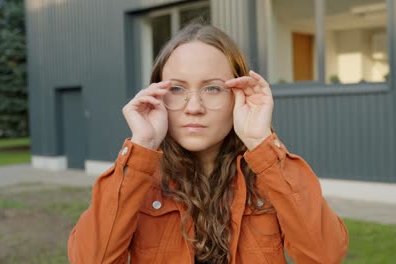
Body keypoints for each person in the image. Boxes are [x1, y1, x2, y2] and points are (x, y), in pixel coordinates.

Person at [68, 22, 348, 264]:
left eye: (212, 88)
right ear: (157, 96)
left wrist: (261, 142)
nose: (194, 107)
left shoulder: (268, 176)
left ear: (239, 95)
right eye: (177, 89)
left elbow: (324, 255)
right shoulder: (140, 182)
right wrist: (142, 145)